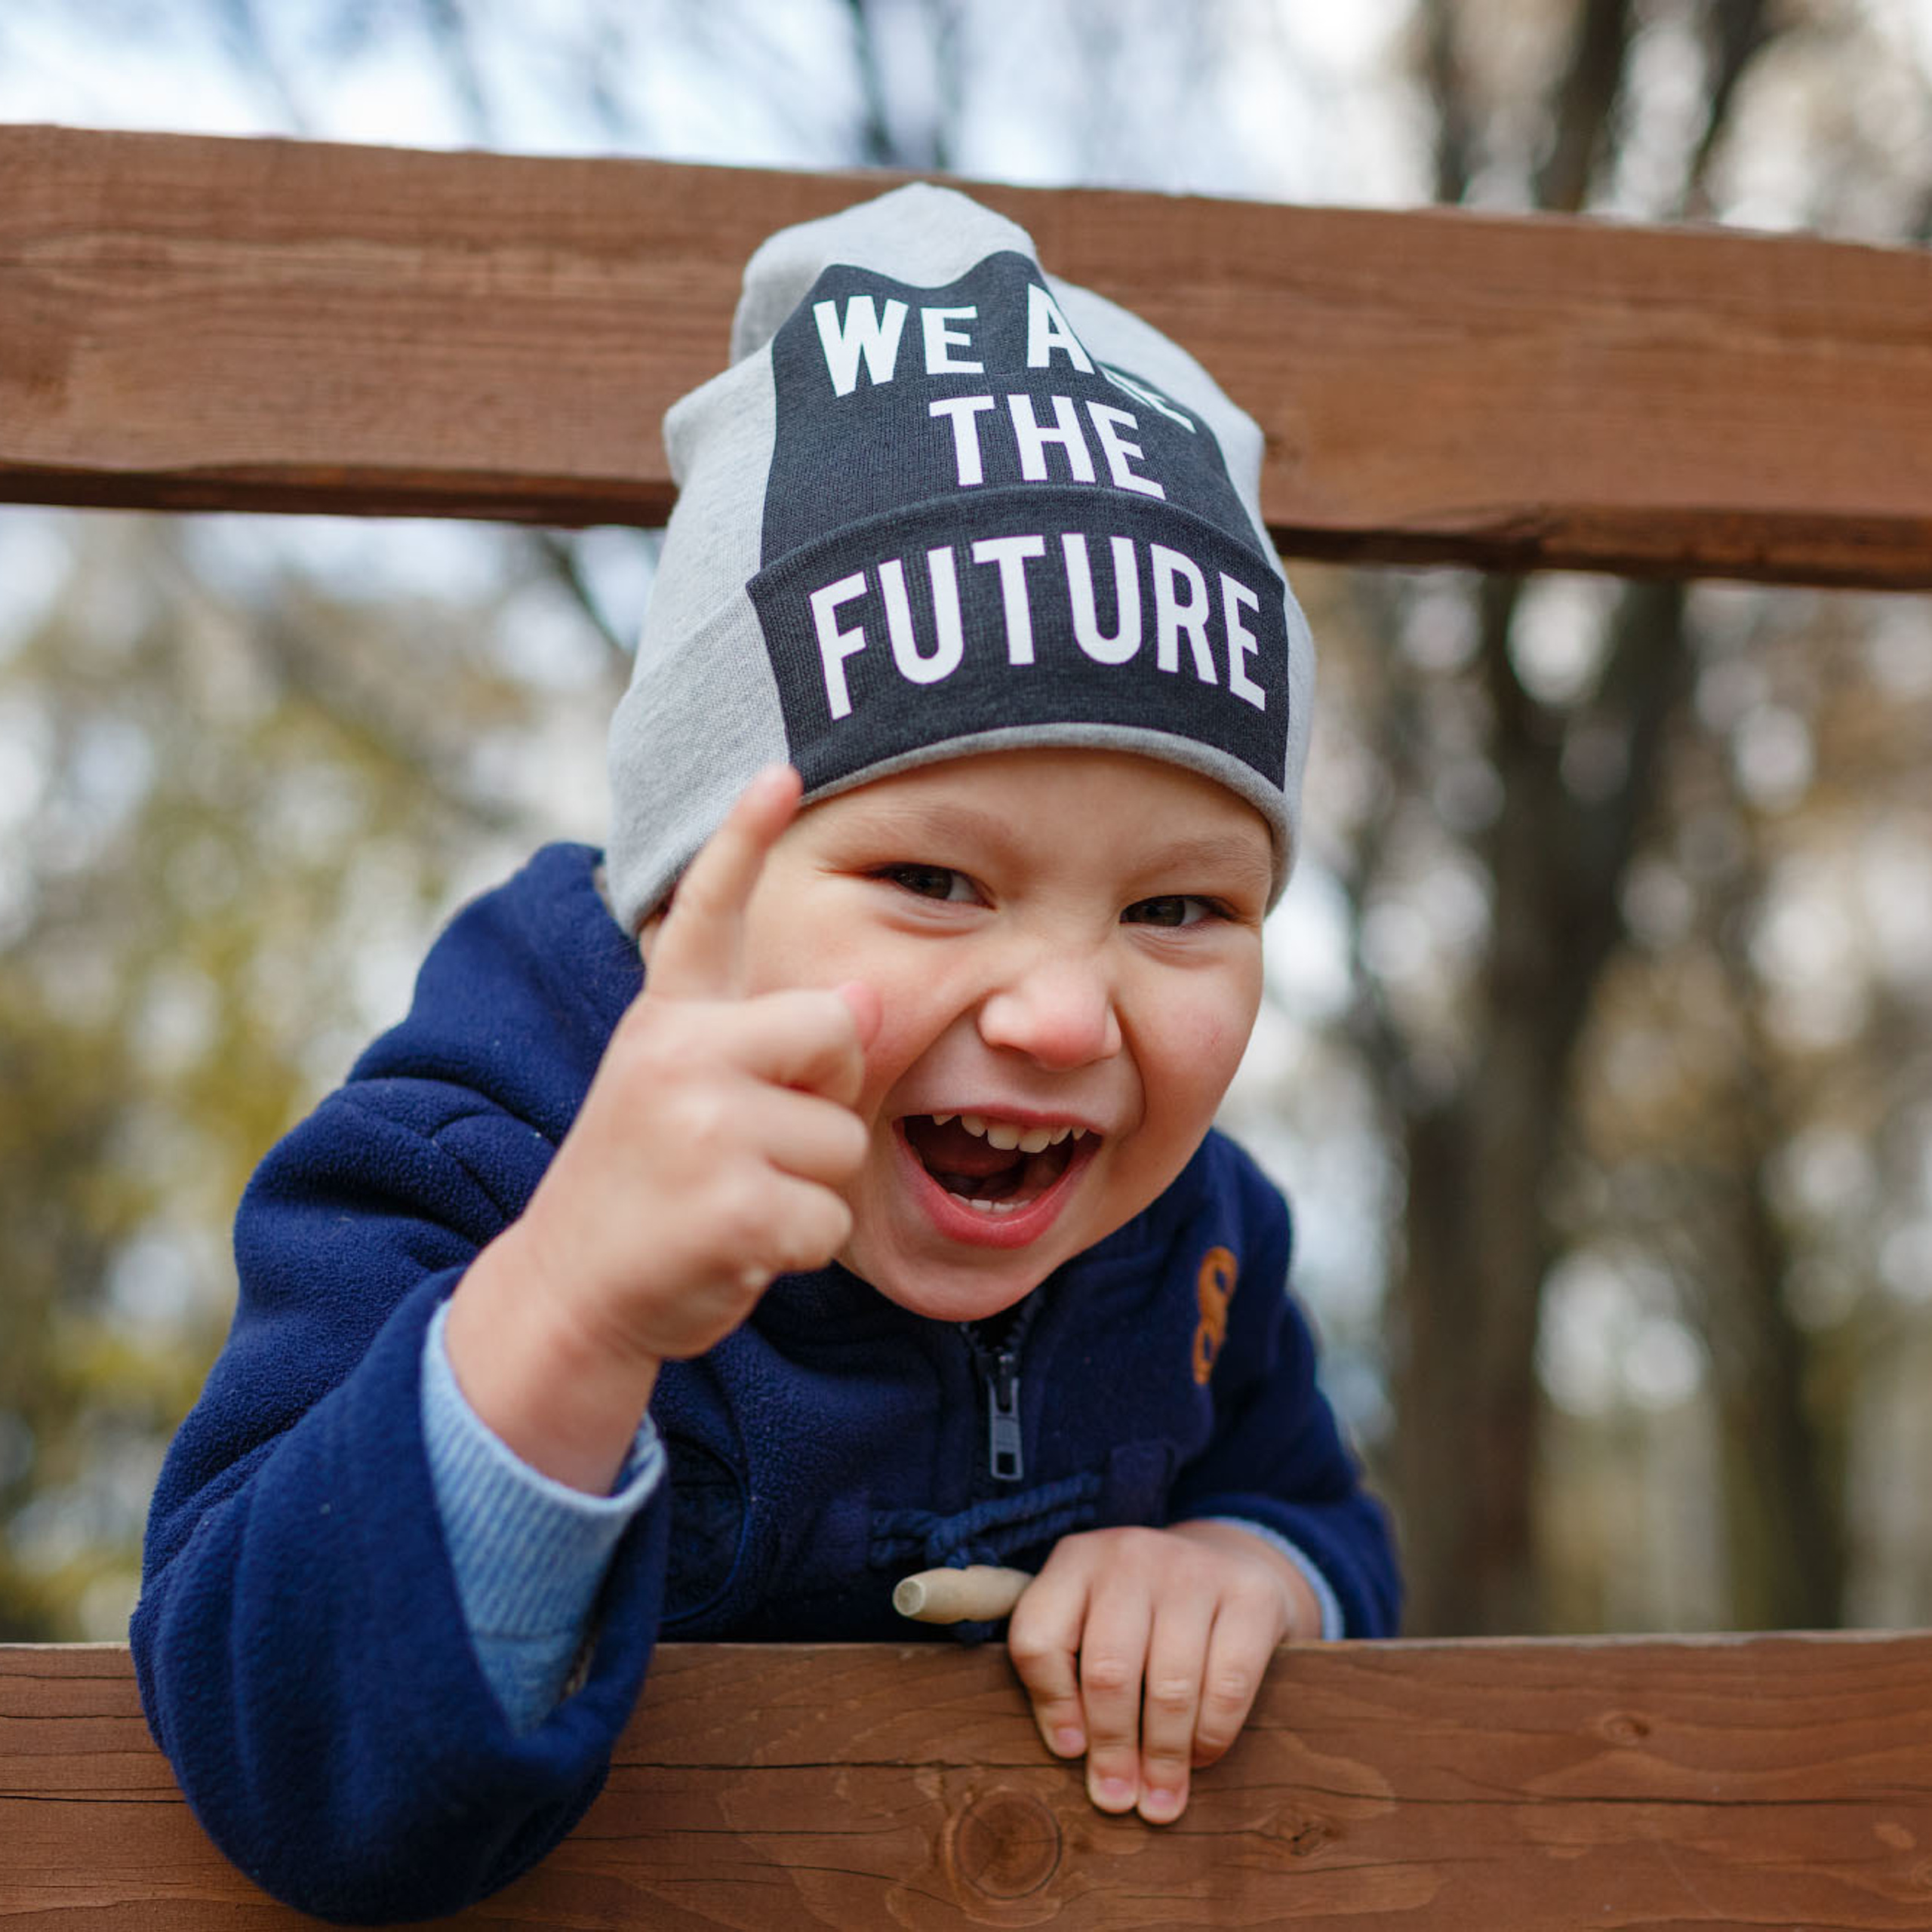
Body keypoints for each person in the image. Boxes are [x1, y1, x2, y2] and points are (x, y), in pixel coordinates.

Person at [132, 183, 1401, 1923]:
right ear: (675, 896)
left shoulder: (1197, 1244)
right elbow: (280, 1753)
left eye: (1178, 909)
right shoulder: (475, 1164)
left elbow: (1325, 1512)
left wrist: (1252, 1570)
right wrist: (566, 1317)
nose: (1059, 1014)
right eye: (932, 881)